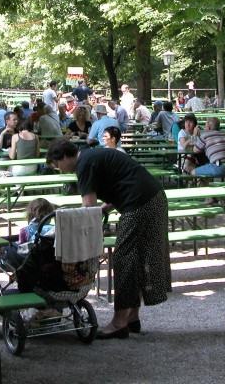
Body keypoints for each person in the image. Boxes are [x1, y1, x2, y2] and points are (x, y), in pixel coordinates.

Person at [46, 140, 171, 339]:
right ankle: (132, 317)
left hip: (139, 205)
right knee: (138, 259)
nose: (60, 171)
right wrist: (107, 208)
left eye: (57, 166)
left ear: (63, 157)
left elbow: (88, 207)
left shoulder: (83, 164)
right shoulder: (92, 156)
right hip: (154, 199)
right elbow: (121, 181)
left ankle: (119, 323)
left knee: (123, 260)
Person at [192, 117, 225, 186]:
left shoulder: (205, 135)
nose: (204, 128)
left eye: (205, 126)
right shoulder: (224, 134)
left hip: (218, 167)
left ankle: (208, 196)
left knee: (193, 172)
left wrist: (194, 135)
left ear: (208, 128)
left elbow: (195, 150)